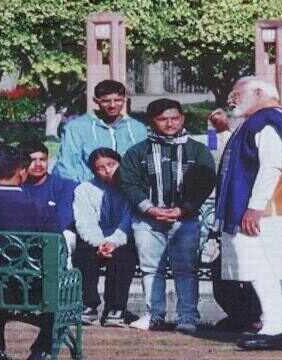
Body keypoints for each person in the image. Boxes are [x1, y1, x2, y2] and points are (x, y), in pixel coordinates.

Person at [214, 76, 282, 350]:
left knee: (263, 267)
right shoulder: (275, 118)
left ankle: (274, 326)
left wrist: (254, 207)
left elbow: (272, 165)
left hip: (269, 210)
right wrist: (224, 131)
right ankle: (275, 325)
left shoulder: (268, 119)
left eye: (237, 92)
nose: (232, 98)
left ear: (259, 92)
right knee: (277, 270)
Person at [119, 98, 216, 333]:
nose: (170, 123)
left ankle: (188, 317)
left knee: (186, 268)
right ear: (152, 122)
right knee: (151, 268)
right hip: (147, 220)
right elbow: (128, 182)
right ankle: (155, 315)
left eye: (174, 118)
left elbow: (206, 181)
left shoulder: (198, 150)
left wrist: (183, 209)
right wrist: (150, 209)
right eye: (163, 119)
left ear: (182, 118)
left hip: (186, 220)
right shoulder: (137, 152)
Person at [0, 145, 58, 360]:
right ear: (22, 172)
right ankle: (42, 350)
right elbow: (55, 254)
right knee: (57, 281)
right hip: (27, 289)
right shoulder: (41, 207)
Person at [207, 94, 262, 333]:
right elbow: (212, 154)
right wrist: (212, 130)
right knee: (221, 271)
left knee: (253, 272)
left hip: (255, 216)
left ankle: (256, 318)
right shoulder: (230, 137)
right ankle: (240, 317)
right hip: (228, 220)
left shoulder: (261, 133)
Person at [72, 148, 137, 327]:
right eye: (100, 168)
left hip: (121, 238)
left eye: (111, 164)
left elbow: (128, 220)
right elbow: (85, 222)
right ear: (93, 170)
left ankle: (115, 308)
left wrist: (113, 242)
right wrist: (100, 243)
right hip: (95, 238)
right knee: (84, 252)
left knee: (124, 255)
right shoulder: (84, 189)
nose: (107, 171)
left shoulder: (131, 188)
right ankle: (88, 304)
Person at [52, 80, 149, 183]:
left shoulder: (137, 128)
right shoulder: (76, 127)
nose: (112, 105)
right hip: (89, 189)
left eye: (118, 100)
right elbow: (66, 165)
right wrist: (84, 190)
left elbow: (144, 162)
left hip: (128, 189)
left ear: (125, 100)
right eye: (106, 101)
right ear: (96, 101)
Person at [18, 140, 78, 254]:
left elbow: (63, 221)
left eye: (42, 160)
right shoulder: (17, 187)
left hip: (56, 240)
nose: (38, 165)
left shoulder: (65, 186)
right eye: (32, 160)